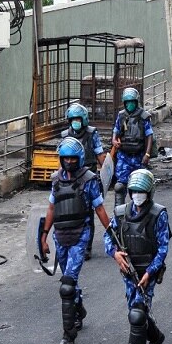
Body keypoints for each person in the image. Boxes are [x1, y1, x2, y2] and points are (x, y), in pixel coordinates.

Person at [41, 137, 111, 344]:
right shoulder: (56, 180)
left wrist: (112, 233)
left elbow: (99, 209)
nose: (69, 161)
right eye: (65, 158)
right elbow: (51, 209)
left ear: (79, 158)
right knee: (67, 281)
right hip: (60, 235)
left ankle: (68, 335)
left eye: (73, 158)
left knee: (68, 284)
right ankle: (78, 308)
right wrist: (43, 237)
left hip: (81, 233)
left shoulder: (89, 180)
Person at [104, 169, 168, 344]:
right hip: (128, 273)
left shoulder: (158, 214)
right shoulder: (121, 213)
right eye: (134, 192)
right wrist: (115, 254)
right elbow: (108, 237)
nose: (138, 195)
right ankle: (156, 337)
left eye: (142, 192)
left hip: (147, 273)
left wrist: (151, 272)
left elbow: (162, 249)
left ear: (149, 192)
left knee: (138, 315)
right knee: (136, 313)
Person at [61, 103, 106, 260]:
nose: (75, 122)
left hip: (88, 176)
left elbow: (100, 154)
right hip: (70, 178)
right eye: (73, 119)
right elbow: (60, 159)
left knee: (88, 212)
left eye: (78, 119)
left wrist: (107, 172)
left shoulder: (92, 134)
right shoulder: (65, 136)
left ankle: (87, 247)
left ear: (84, 119)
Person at [112, 87, 154, 207]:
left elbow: (149, 135)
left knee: (141, 186)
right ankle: (118, 215)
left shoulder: (143, 116)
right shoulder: (121, 116)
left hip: (139, 156)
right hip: (124, 156)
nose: (130, 104)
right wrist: (114, 140)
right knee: (120, 187)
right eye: (127, 102)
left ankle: (143, 212)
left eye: (132, 102)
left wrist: (147, 154)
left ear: (136, 102)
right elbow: (116, 130)